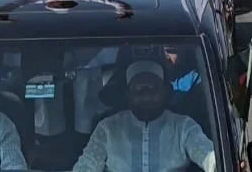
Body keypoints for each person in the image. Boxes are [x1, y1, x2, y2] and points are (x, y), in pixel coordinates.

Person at [73, 60, 216, 172]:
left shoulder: (183, 127)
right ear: (128, 94)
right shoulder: (108, 129)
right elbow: (86, 166)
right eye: (139, 89)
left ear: (164, 92)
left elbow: (209, 157)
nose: (147, 96)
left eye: (153, 89)